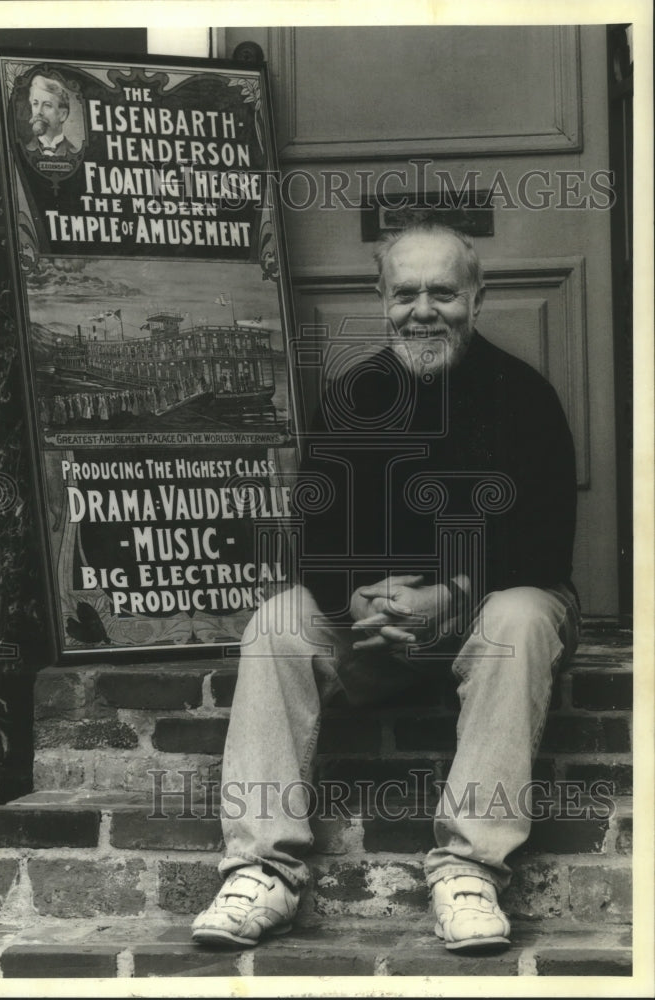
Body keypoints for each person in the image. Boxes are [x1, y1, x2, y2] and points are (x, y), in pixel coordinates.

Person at [191, 220, 580, 953]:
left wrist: (454, 595)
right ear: (381, 301)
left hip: (483, 624)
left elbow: (544, 540)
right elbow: (317, 533)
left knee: (523, 617)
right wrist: (357, 599)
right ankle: (261, 869)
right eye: (406, 294)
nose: (423, 310)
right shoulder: (354, 396)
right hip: (377, 633)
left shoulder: (524, 396)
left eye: (443, 292)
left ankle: (469, 872)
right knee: (278, 624)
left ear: (477, 296)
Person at [25, 74, 78, 158]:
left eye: (47, 105)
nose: (38, 112)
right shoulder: (24, 150)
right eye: (35, 104)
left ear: (62, 115)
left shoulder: (75, 153)